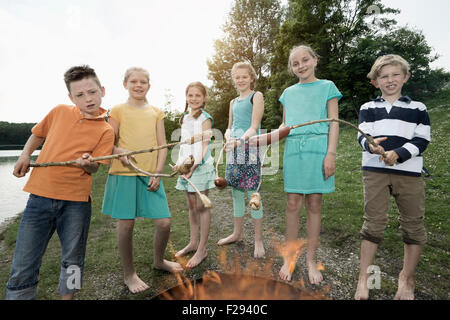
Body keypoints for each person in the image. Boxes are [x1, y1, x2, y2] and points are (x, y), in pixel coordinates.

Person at [6, 65, 115, 300]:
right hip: (39, 198)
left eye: (92, 92)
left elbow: (95, 168)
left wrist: (88, 164)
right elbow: (37, 134)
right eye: (80, 95)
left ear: (102, 90)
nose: (88, 99)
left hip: (76, 203)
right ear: (70, 97)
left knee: (74, 259)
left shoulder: (106, 130)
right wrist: (25, 154)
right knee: (24, 261)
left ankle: (69, 297)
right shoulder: (59, 111)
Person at [354, 54, 430, 300]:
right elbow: (363, 135)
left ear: (405, 77)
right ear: (375, 81)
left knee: (413, 224)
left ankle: (406, 278)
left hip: (409, 172)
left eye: (395, 74)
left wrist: (398, 154)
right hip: (375, 172)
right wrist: (373, 146)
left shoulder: (418, 108)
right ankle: (363, 279)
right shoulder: (368, 108)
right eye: (383, 76)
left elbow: (422, 140)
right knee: (373, 223)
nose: (390, 80)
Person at [101, 67, 183, 294]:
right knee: (126, 225)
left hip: (150, 174)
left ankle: (159, 261)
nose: (138, 85)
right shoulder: (116, 110)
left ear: (149, 85)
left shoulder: (156, 112)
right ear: (125, 84)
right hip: (124, 174)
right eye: (133, 81)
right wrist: (119, 150)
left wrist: (157, 173)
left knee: (164, 223)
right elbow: (107, 142)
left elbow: (162, 146)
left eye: (143, 82)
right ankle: (130, 274)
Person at [278, 45, 342, 284]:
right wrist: (258, 140)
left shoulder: (327, 87)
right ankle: (290, 258)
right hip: (294, 151)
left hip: (318, 150)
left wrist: (331, 154)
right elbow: (285, 127)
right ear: (292, 68)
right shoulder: (288, 93)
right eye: (295, 63)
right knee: (293, 204)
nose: (301, 65)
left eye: (305, 60)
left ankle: (311, 260)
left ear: (315, 60)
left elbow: (333, 123)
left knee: (314, 203)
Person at [217, 62, 265, 259]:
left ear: (251, 78)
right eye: (237, 77)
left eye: (244, 76)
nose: (240, 80)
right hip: (233, 148)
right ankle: (237, 234)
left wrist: (239, 141)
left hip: (249, 145)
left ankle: (258, 240)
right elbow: (230, 125)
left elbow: (254, 125)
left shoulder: (257, 96)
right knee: (236, 191)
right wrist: (228, 137)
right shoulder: (233, 102)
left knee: (253, 193)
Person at [173, 81, 215, 268]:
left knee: (202, 207)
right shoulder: (184, 118)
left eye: (198, 95)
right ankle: (193, 242)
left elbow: (204, 145)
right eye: (190, 95)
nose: (194, 98)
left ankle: (202, 250)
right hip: (187, 166)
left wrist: (194, 166)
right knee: (191, 206)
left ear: (204, 98)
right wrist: (180, 164)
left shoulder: (205, 118)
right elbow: (184, 144)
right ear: (186, 97)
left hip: (200, 165)